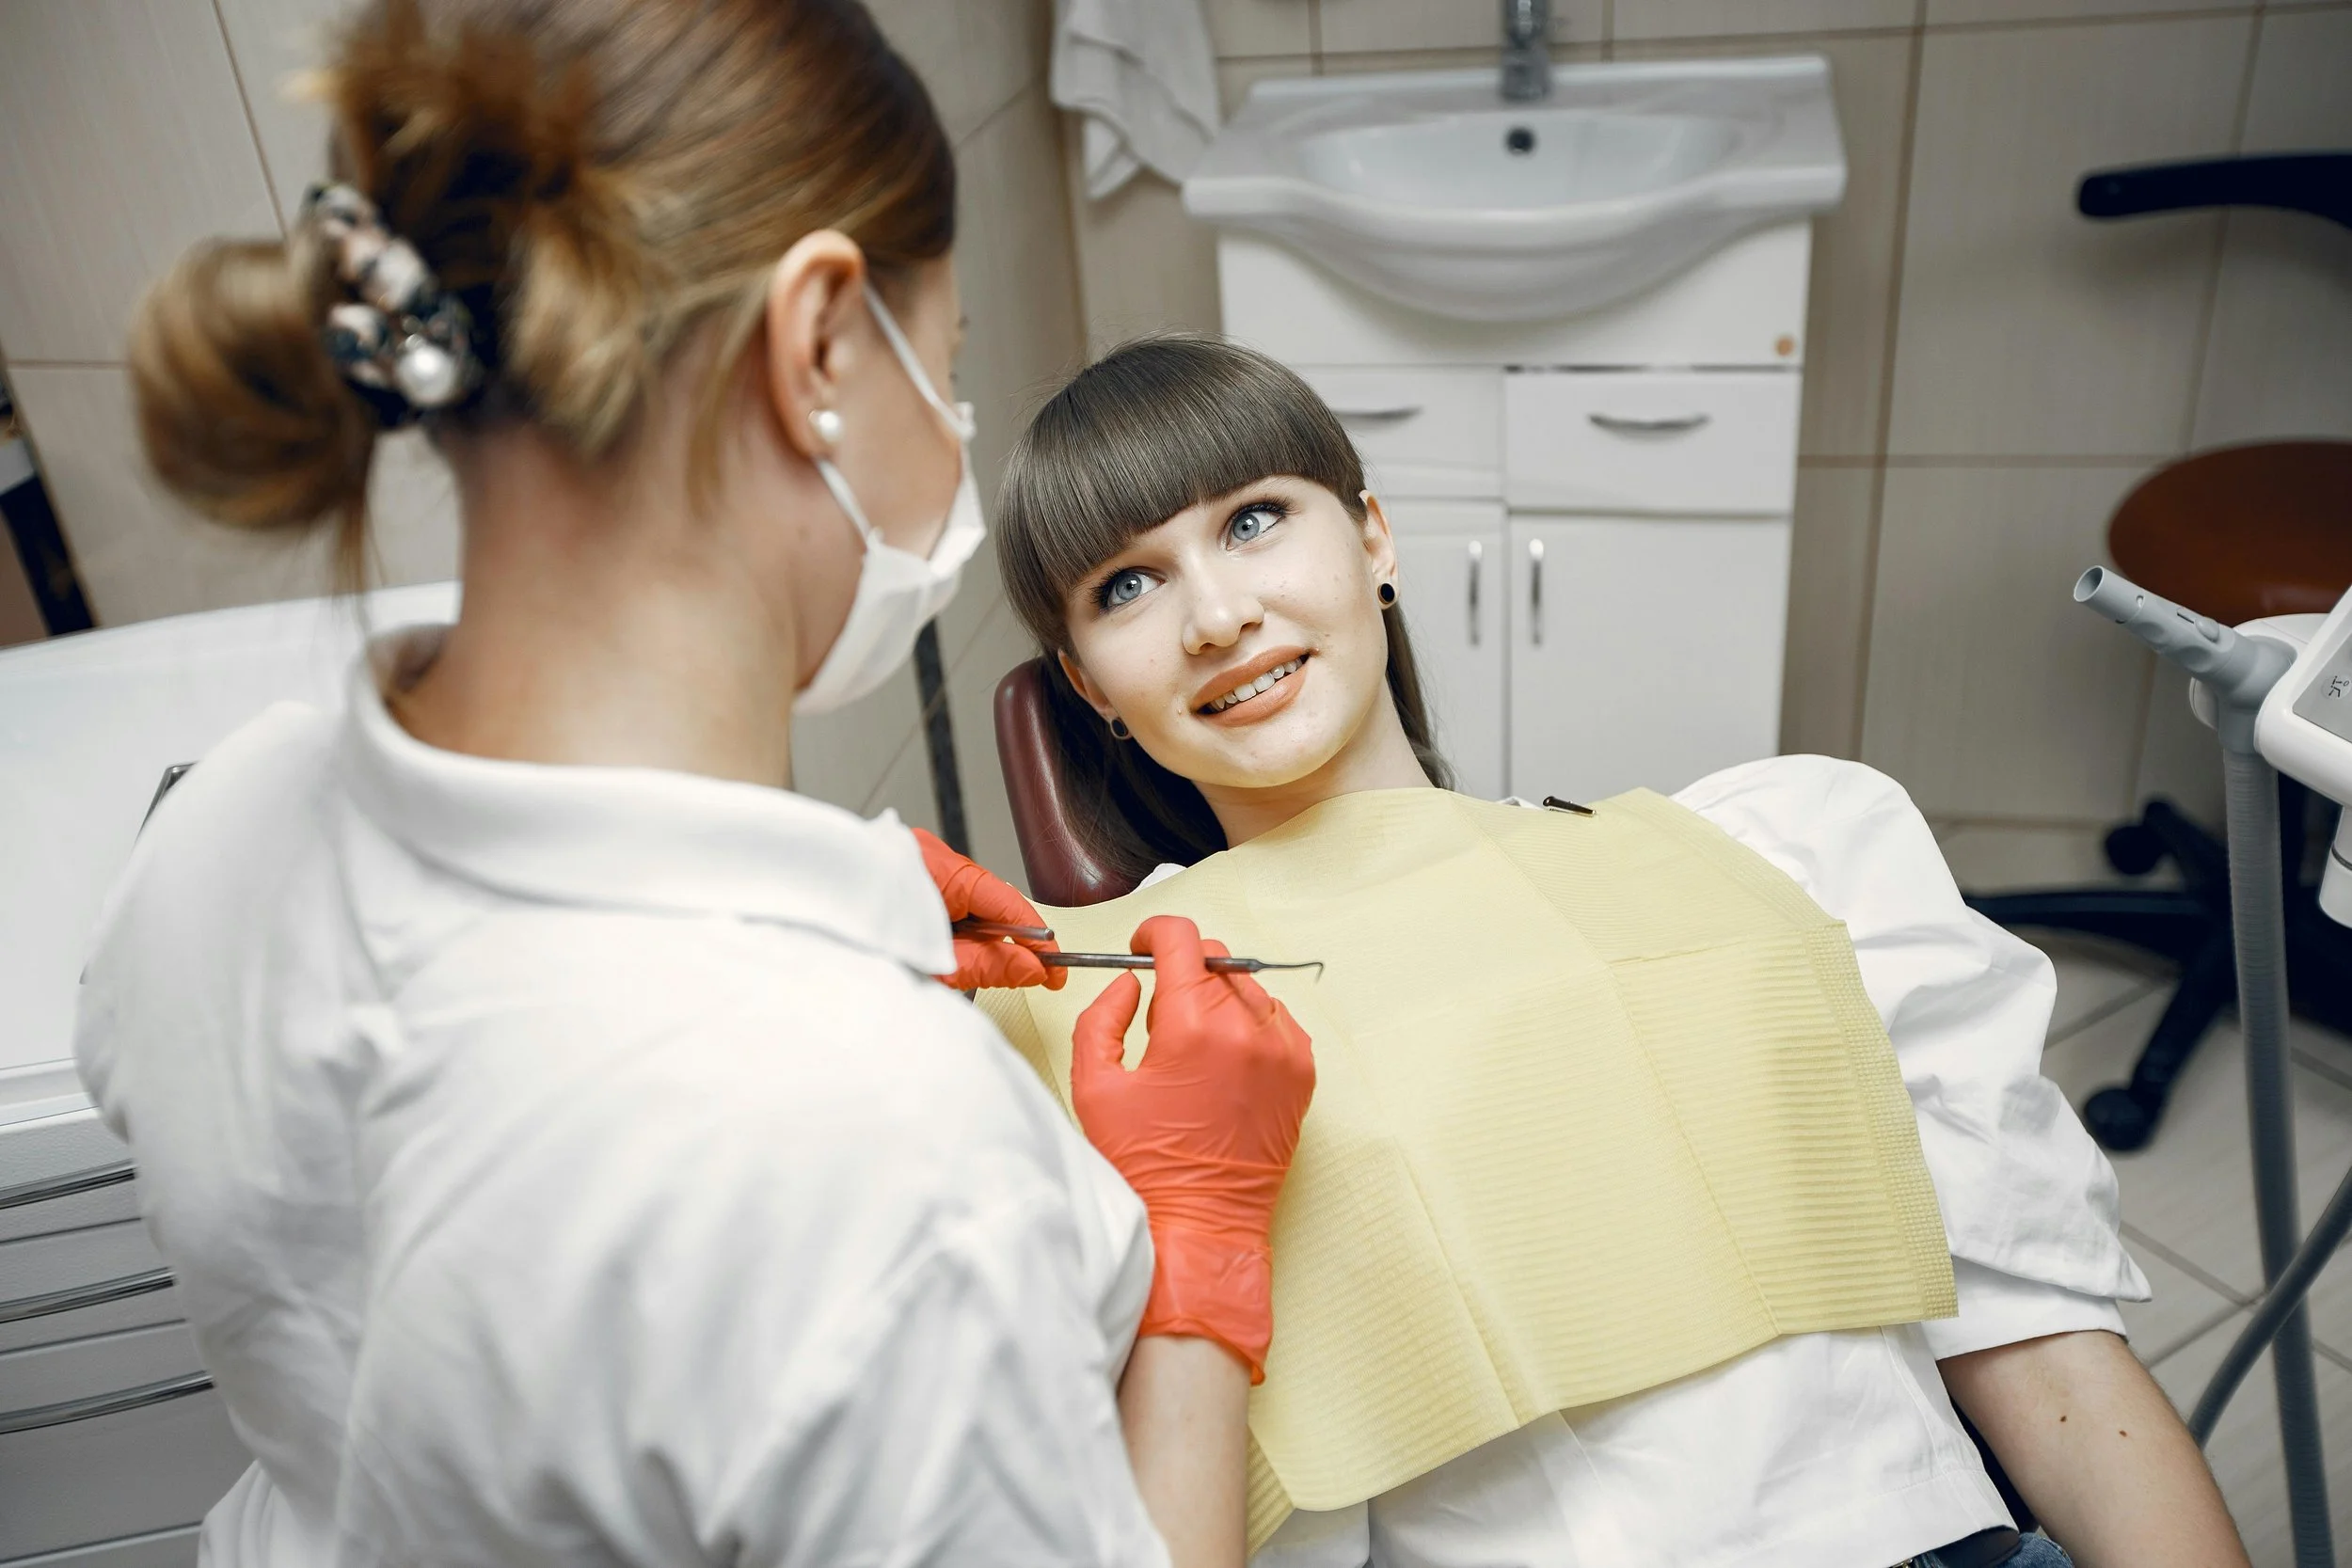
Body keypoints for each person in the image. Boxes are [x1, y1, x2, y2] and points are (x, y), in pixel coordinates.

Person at [78, 5, 1314, 1565]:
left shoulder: (214, 826)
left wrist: (835, 909)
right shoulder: (878, 1158)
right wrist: (1198, 1252)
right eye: (948, 364)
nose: (949, 423)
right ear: (816, 347)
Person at [969, 333, 2252, 1568]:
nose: (1216, 613)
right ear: (1087, 684)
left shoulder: (1781, 855)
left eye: (1253, 519)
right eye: (1125, 584)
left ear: (1373, 536)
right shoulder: (1118, 1030)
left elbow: (2049, 1356)